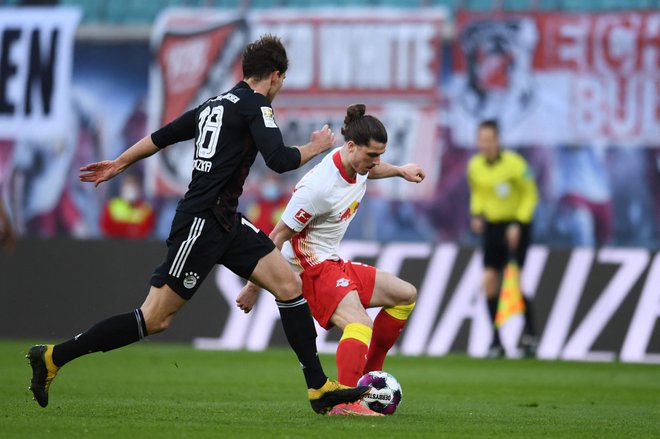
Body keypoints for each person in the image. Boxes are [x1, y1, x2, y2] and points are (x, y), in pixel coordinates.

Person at [26, 34, 370, 414]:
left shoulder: (214, 104)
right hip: (201, 223)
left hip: (226, 222)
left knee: (289, 285)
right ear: (275, 75)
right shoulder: (256, 106)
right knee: (155, 319)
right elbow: (281, 159)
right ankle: (54, 356)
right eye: (282, 81)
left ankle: (318, 387)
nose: (280, 87)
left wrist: (120, 163)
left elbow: (162, 136)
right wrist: (317, 147)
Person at [237, 104, 425, 416]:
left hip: (332, 260)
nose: (375, 162)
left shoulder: (356, 165)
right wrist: (253, 287)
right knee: (359, 323)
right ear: (351, 147)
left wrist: (399, 170)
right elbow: (278, 235)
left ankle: (369, 378)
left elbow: (369, 171)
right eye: (371, 155)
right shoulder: (319, 188)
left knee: (405, 295)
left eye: (380, 155)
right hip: (308, 267)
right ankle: (347, 403)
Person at [466, 119, 539, 358]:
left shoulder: (516, 165)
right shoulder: (475, 166)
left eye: (489, 140)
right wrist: (476, 214)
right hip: (493, 227)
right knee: (489, 281)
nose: (485, 144)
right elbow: (478, 193)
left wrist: (519, 222)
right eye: (482, 140)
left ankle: (530, 334)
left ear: (498, 140)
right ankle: (496, 340)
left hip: (516, 227)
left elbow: (530, 195)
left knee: (515, 283)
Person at [100, 173, 156, 239]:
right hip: (115, 244)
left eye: (133, 185)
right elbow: (107, 228)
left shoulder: (146, 208)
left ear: (138, 188)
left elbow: (146, 230)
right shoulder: (112, 205)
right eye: (127, 185)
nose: (130, 188)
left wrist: (121, 228)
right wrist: (130, 229)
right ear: (122, 187)